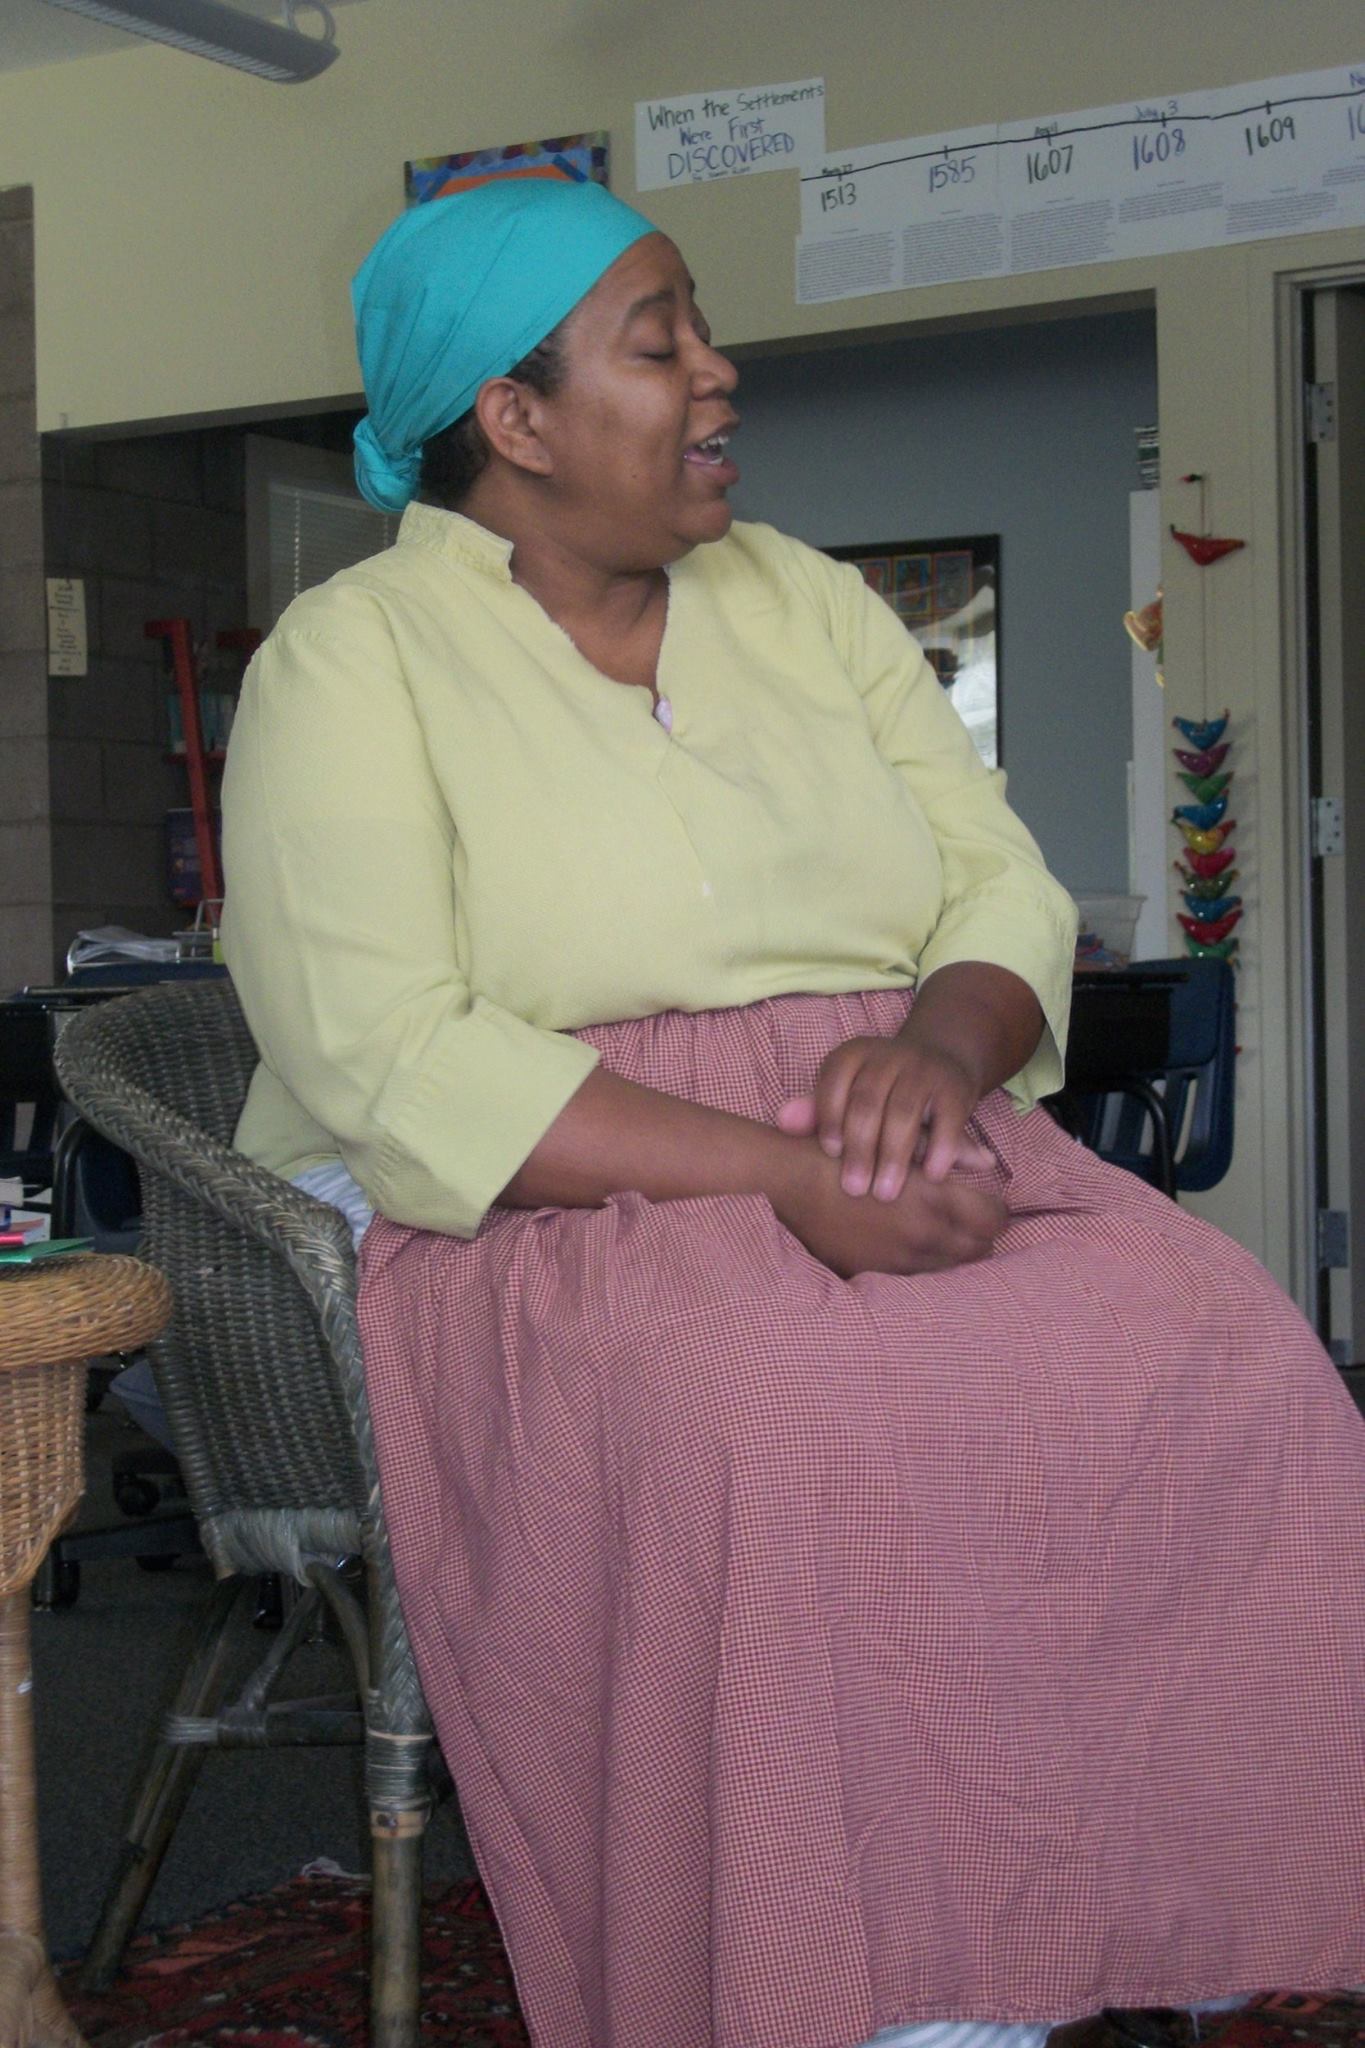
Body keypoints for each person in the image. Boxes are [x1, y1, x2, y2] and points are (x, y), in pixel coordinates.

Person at [220, 179, 1365, 2048]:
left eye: (699, 329)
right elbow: (387, 1049)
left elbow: (995, 889)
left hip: (895, 1107)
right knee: (787, 1409)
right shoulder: (351, 661)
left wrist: (936, 1056)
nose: (716, 370)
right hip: (556, 1182)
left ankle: (1134, 1898)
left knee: (1213, 1343)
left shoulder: (810, 602)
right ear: (513, 420)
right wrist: (784, 1174)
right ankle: (871, 1992)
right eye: (656, 340)